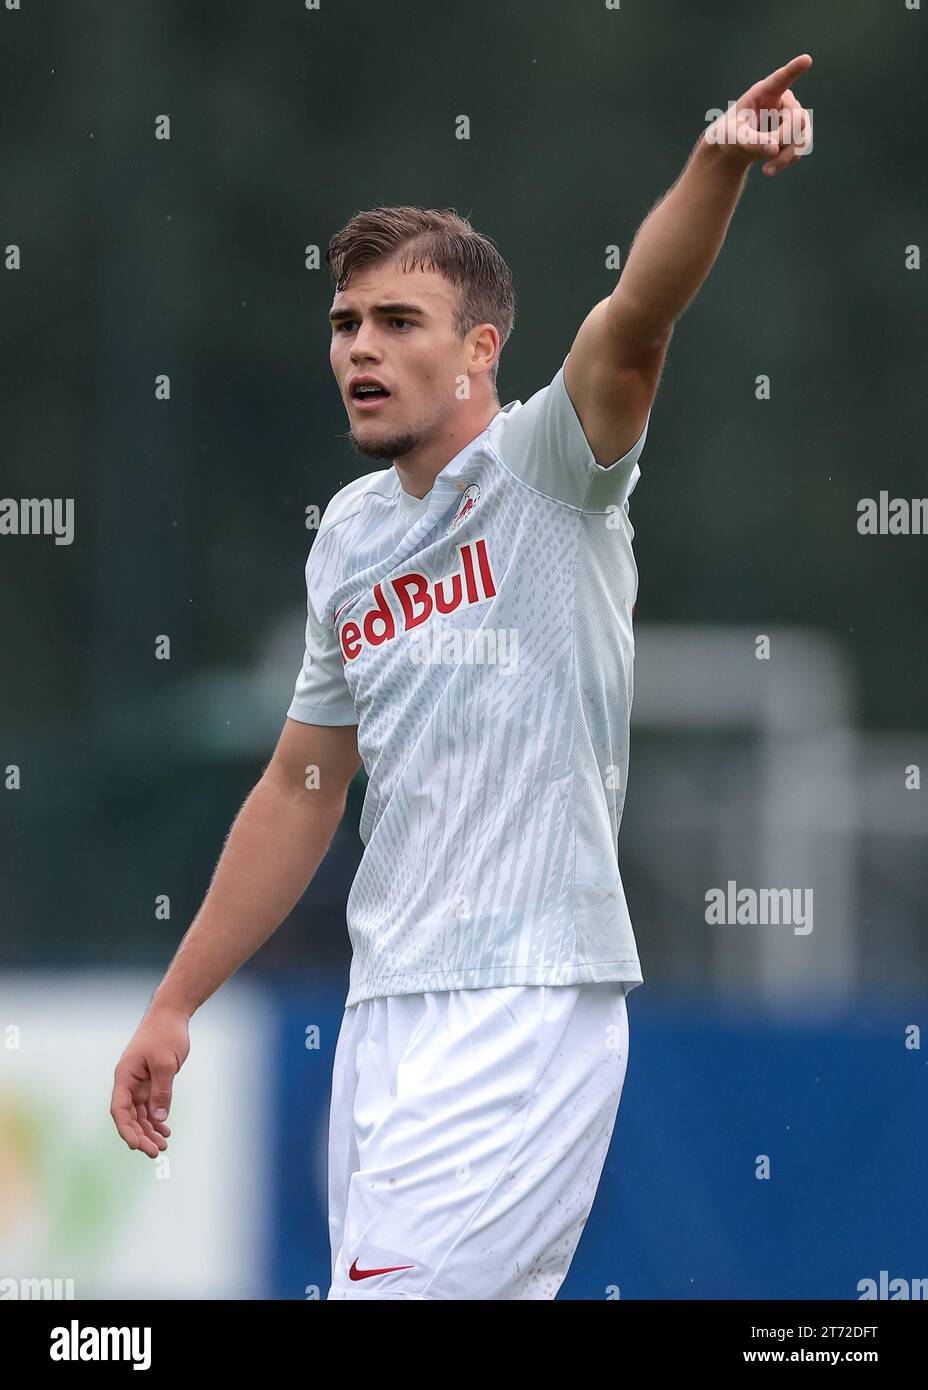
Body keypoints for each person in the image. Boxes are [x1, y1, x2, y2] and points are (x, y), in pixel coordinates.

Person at [111, 55, 813, 1299]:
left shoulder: (556, 466)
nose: (359, 349)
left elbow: (635, 317)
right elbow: (300, 789)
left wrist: (715, 166)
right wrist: (177, 1001)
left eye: (397, 322)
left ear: (480, 348)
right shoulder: (351, 536)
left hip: (528, 1003)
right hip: (385, 1015)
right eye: (344, 323)